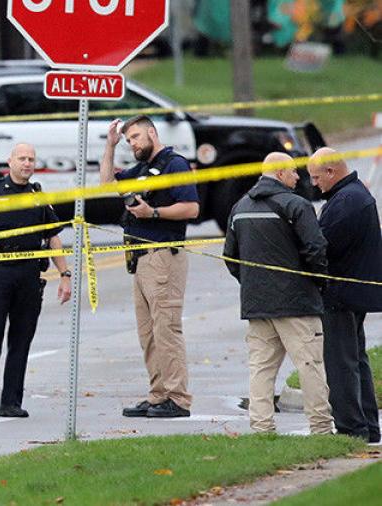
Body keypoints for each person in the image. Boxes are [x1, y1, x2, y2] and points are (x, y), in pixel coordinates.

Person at [0, 143, 72, 418]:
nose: (27, 163)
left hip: (29, 275)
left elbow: (53, 235)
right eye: (21, 158)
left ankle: (11, 402)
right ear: (10, 161)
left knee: (21, 339)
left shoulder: (37, 195)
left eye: (31, 159)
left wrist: (65, 274)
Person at [223, 152, 333, 434]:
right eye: (294, 172)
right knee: (310, 365)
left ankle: (261, 428)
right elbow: (316, 248)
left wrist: (252, 282)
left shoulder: (240, 207)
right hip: (297, 304)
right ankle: (320, 427)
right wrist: (318, 282)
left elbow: (230, 257)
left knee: (261, 368)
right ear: (281, 173)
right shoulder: (296, 205)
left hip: (257, 304)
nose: (298, 178)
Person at [100, 115, 200, 418]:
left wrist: (152, 212)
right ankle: (159, 395)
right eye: (128, 139)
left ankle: (178, 399)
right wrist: (110, 145)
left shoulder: (175, 165)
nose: (132, 144)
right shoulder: (141, 169)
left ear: (152, 133)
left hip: (163, 256)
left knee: (166, 329)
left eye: (135, 137)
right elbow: (106, 184)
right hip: (140, 258)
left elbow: (192, 208)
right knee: (148, 333)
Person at [307, 147, 382, 443]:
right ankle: (368, 426)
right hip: (354, 292)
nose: (314, 184)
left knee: (341, 363)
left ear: (331, 172)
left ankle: (352, 428)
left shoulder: (346, 201)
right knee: (355, 359)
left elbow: (321, 246)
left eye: (316, 177)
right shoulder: (351, 195)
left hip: (341, 294)